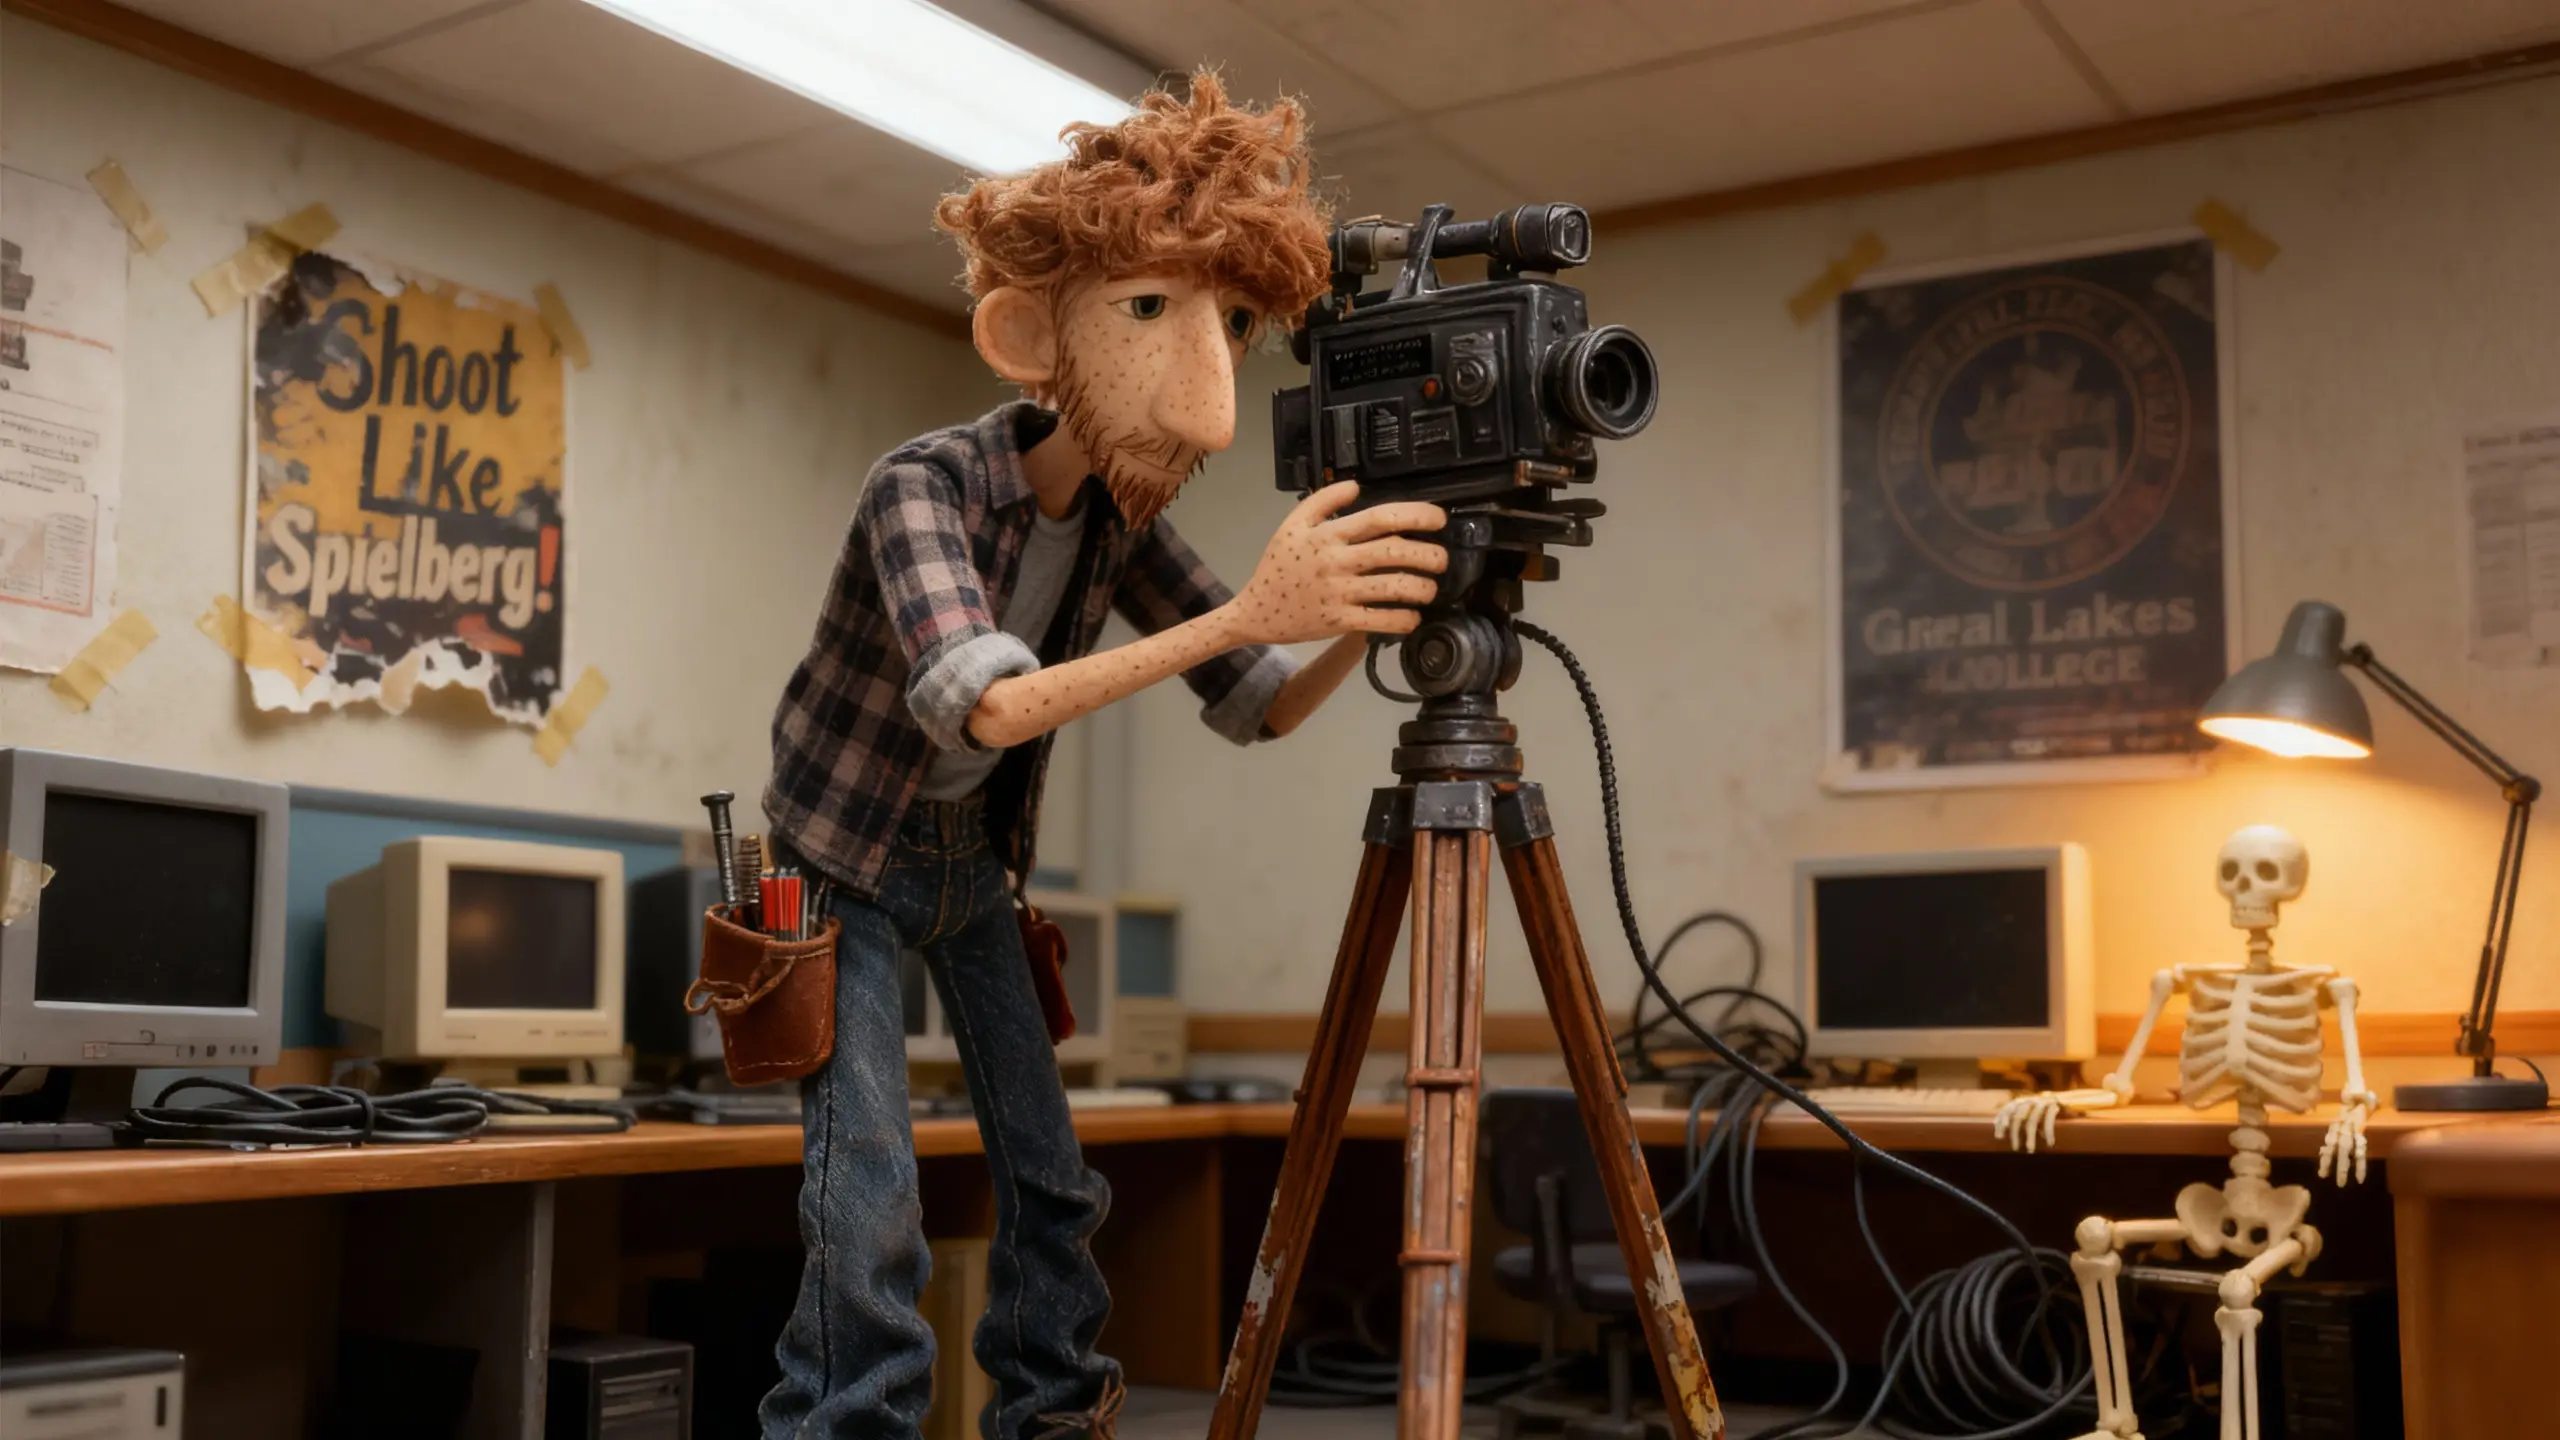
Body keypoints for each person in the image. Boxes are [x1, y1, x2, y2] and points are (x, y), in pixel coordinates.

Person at [757, 71, 1448, 1440]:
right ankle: (849, 1428)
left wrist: (1367, 611)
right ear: (1028, 334)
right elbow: (989, 709)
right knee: (868, 1187)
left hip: (970, 861)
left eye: (1233, 323)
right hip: (840, 857)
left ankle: (1056, 1414)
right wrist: (1258, 610)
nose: (1208, 378)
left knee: (1055, 1172)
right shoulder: (925, 487)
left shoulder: (1119, 522)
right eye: (1151, 310)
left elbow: (1261, 701)